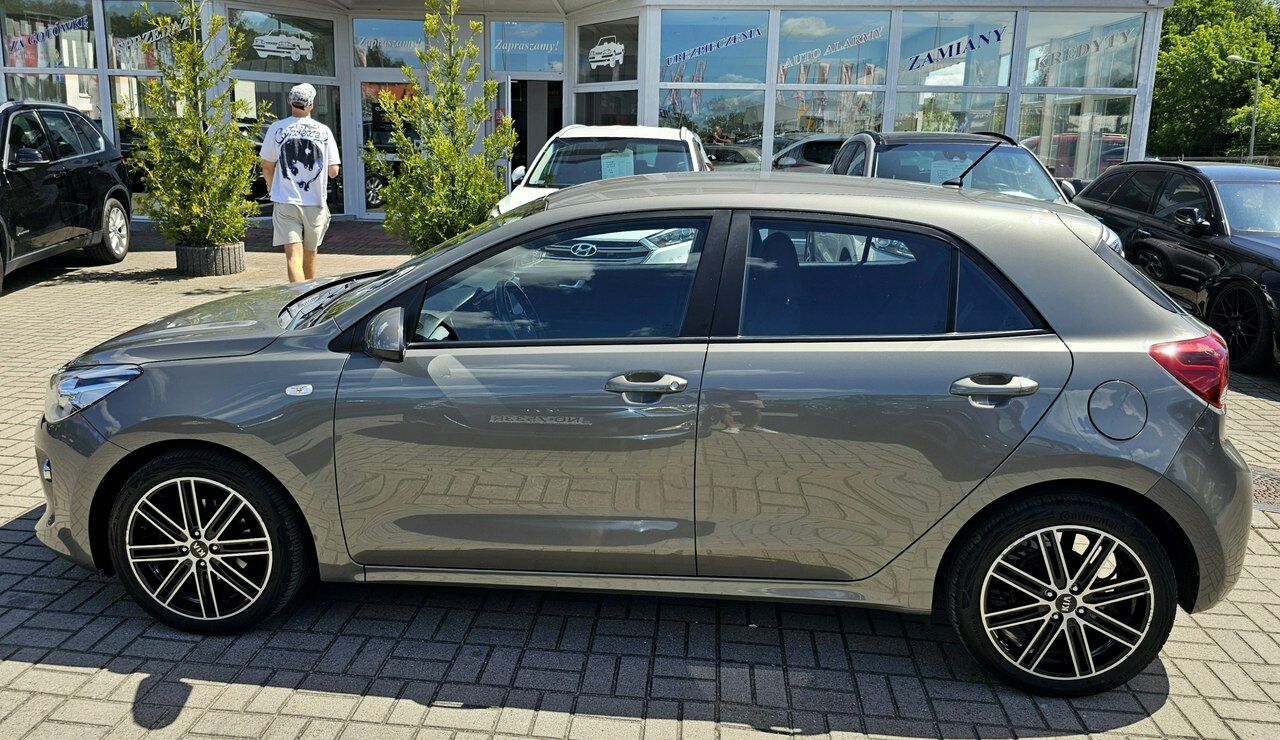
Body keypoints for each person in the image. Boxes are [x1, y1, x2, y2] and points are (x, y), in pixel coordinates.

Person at [260, 83, 340, 282]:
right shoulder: (323, 131)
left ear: (290, 101)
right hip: (315, 202)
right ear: (311, 105)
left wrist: (271, 187)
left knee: (293, 257)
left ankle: (298, 296)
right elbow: (333, 171)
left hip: (286, 201)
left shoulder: (276, 128)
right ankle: (310, 295)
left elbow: (267, 166)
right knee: (310, 254)